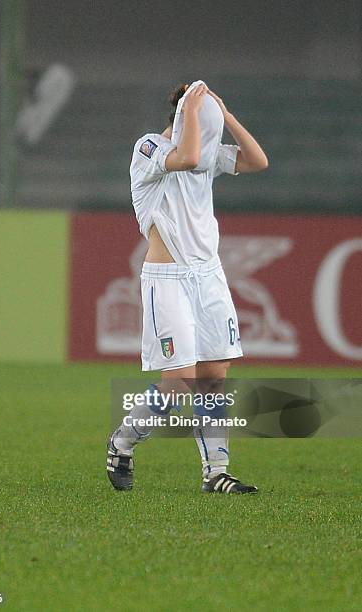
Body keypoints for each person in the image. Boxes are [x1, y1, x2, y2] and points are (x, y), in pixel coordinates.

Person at [107, 80, 268, 494]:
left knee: (215, 375)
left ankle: (216, 473)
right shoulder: (150, 150)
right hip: (169, 279)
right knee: (179, 384)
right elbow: (190, 154)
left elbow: (257, 161)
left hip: (208, 275)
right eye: (200, 117)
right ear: (182, 118)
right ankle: (123, 442)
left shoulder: (204, 152)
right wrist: (193, 110)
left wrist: (226, 115)